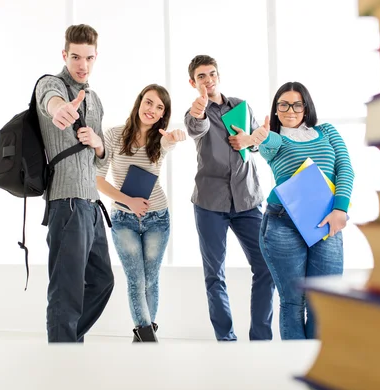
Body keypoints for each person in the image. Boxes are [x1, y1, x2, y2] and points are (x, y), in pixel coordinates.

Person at [183, 55, 275, 341]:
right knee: (215, 274)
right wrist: (198, 112)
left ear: (218, 75)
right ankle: (226, 338)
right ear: (192, 82)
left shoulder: (241, 106)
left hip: (247, 199)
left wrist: (255, 139)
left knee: (266, 267)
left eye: (211, 74)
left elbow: (255, 144)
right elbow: (195, 127)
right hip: (210, 203)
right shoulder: (195, 111)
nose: (208, 80)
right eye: (201, 76)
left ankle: (260, 337)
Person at [253, 81, 354, 340]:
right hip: (282, 223)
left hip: (328, 223)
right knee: (292, 303)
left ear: (306, 107)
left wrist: (340, 209)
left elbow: (345, 169)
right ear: (275, 109)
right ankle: (294, 370)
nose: (290, 110)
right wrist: (260, 136)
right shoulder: (273, 140)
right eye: (283, 104)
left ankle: (317, 370)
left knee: (323, 302)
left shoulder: (327, 132)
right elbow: (266, 143)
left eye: (297, 104)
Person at [35, 24, 114, 343]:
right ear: (64, 55)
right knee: (66, 291)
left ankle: (64, 343)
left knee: (102, 281)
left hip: (92, 205)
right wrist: (59, 111)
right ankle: (62, 356)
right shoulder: (51, 83)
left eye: (89, 57)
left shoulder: (95, 99)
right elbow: (49, 101)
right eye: (76, 57)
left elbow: (100, 163)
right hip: (66, 203)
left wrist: (98, 144)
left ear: (96, 57)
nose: (83, 64)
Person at [96, 84, 186, 342]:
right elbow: (98, 180)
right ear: (139, 102)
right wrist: (129, 202)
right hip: (124, 219)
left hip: (158, 217)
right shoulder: (113, 135)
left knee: (151, 279)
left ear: (163, 115)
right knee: (136, 279)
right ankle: (147, 336)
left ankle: (144, 335)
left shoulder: (162, 140)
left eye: (160, 107)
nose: (152, 110)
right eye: (149, 102)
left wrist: (175, 137)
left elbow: (171, 142)